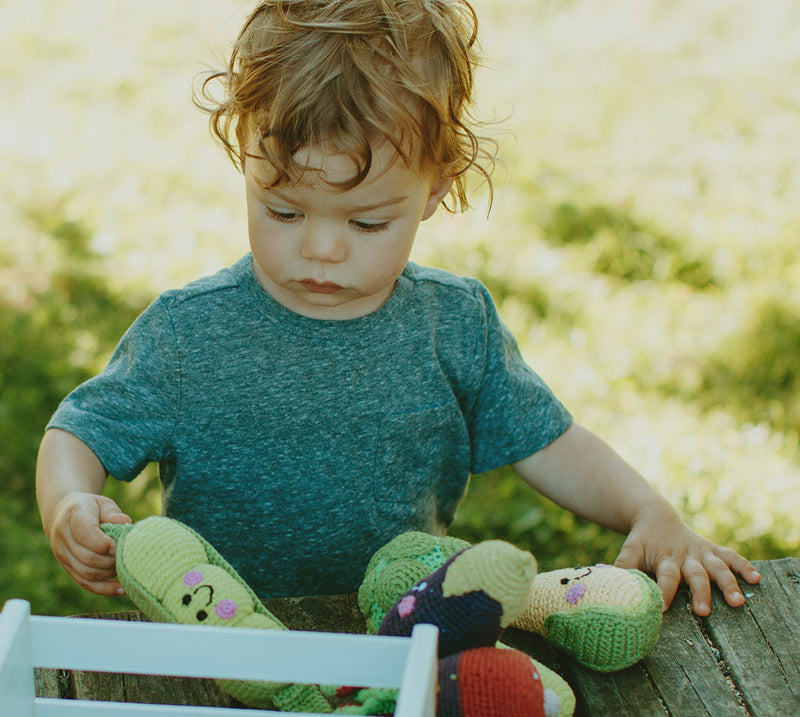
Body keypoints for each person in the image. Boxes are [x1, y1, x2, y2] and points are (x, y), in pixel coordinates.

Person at [36, 0, 759, 617]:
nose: (320, 249)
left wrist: (649, 510)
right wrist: (71, 502)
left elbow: (551, 442)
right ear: (245, 163)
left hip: (400, 635)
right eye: (282, 210)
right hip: (224, 646)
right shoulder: (188, 334)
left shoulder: (452, 324)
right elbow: (81, 434)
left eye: (367, 223)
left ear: (436, 190)